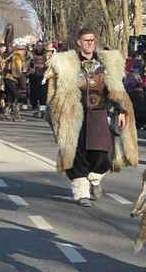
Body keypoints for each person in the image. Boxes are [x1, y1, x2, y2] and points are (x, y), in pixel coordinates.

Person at [46, 27, 138, 206]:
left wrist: (120, 110)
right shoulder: (66, 63)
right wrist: (53, 112)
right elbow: (54, 90)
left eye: (92, 40)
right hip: (74, 113)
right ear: (79, 42)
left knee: (102, 154)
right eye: (86, 40)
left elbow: (116, 89)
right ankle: (82, 192)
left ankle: (95, 179)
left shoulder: (106, 63)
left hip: (99, 112)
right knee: (76, 153)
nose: (90, 43)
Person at [29, 40, 47, 116]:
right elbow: (28, 64)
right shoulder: (31, 54)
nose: (39, 47)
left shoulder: (46, 54)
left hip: (43, 76)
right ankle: (35, 109)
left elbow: (49, 64)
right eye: (38, 45)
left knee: (43, 94)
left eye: (41, 45)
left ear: (43, 46)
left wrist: (43, 66)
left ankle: (43, 111)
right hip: (34, 76)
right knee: (34, 93)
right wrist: (30, 69)